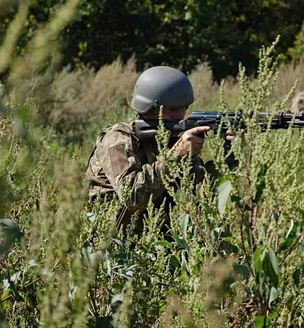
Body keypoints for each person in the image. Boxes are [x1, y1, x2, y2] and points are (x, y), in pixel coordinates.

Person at [85, 66, 227, 233]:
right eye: (171, 109)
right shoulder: (117, 139)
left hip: (155, 242)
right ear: (149, 110)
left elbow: (203, 192)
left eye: (184, 108)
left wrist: (228, 155)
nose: (180, 116)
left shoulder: (170, 138)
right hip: (112, 245)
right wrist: (174, 156)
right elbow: (132, 196)